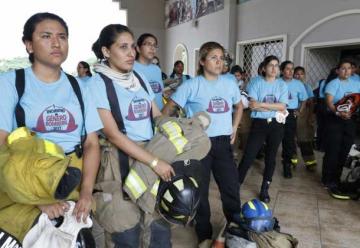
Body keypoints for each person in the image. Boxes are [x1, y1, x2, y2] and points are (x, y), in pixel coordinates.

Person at [0, 12, 102, 244]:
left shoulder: (79, 86)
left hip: (72, 183)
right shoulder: (10, 83)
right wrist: (36, 199)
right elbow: (2, 145)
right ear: (29, 45)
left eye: (62, 37)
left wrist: (86, 192)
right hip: (25, 184)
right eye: (46, 36)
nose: (56, 43)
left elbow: (91, 143)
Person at [88, 24, 175, 248]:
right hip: (120, 162)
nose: (131, 53)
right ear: (106, 51)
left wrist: (178, 134)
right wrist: (155, 162)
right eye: (123, 47)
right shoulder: (98, 84)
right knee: (125, 232)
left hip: (150, 155)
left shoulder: (139, 78)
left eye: (133, 47)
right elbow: (113, 135)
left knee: (157, 228)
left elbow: (156, 115)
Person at [162, 41, 244, 246]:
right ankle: (204, 234)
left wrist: (234, 127)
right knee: (201, 190)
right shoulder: (191, 85)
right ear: (202, 61)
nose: (219, 61)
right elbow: (169, 109)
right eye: (214, 57)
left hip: (223, 144)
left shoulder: (229, 83)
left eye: (221, 58)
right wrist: (170, 132)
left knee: (231, 187)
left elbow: (239, 106)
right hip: (199, 145)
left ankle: (235, 228)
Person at [237, 55, 288, 203]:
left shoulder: (282, 85)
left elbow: (283, 106)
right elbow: (252, 105)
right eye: (271, 65)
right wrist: (272, 107)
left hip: (276, 126)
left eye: (276, 65)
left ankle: (265, 188)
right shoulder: (256, 82)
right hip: (259, 124)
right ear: (264, 68)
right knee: (249, 155)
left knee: (271, 158)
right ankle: (236, 184)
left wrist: (262, 105)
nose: (274, 68)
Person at [322, 59, 360, 199]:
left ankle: (336, 179)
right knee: (333, 150)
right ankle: (327, 179)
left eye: (349, 68)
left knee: (344, 151)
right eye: (343, 68)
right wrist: (338, 113)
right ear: (338, 71)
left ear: (352, 70)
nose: (346, 71)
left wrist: (351, 113)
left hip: (350, 120)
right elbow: (329, 103)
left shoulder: (357, 84)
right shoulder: (333, 84)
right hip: (335, 120)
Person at [279, 61, 308, 178]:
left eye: (292, 69)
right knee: (273, 139)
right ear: (282, 71)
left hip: (290, 114)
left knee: (288, 141)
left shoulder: (298, 84)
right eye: (287, 69)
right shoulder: (277, 82)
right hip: (277, 112)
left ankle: (287, 166)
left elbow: (304, 99)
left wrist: (300, 110)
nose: (291, 71)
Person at [293, 66, 317, 170]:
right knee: (291, 140)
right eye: (297, 74)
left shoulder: (307, 87)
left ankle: (310, 162)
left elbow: (311, 102)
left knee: (304, 139)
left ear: (304, 75)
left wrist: (310, 116)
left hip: (303, 115)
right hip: (291, 114)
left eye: (301, 74)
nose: (299, 76)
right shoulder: (290, 85)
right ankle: (291, 161)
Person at [134, 33, 165, 110]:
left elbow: (159, 92)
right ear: (138, 48)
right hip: (142, 117)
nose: (152, 48)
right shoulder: (131, 68)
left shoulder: (157, 69)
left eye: (154, 45)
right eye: (148, 44)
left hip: (159, 115)